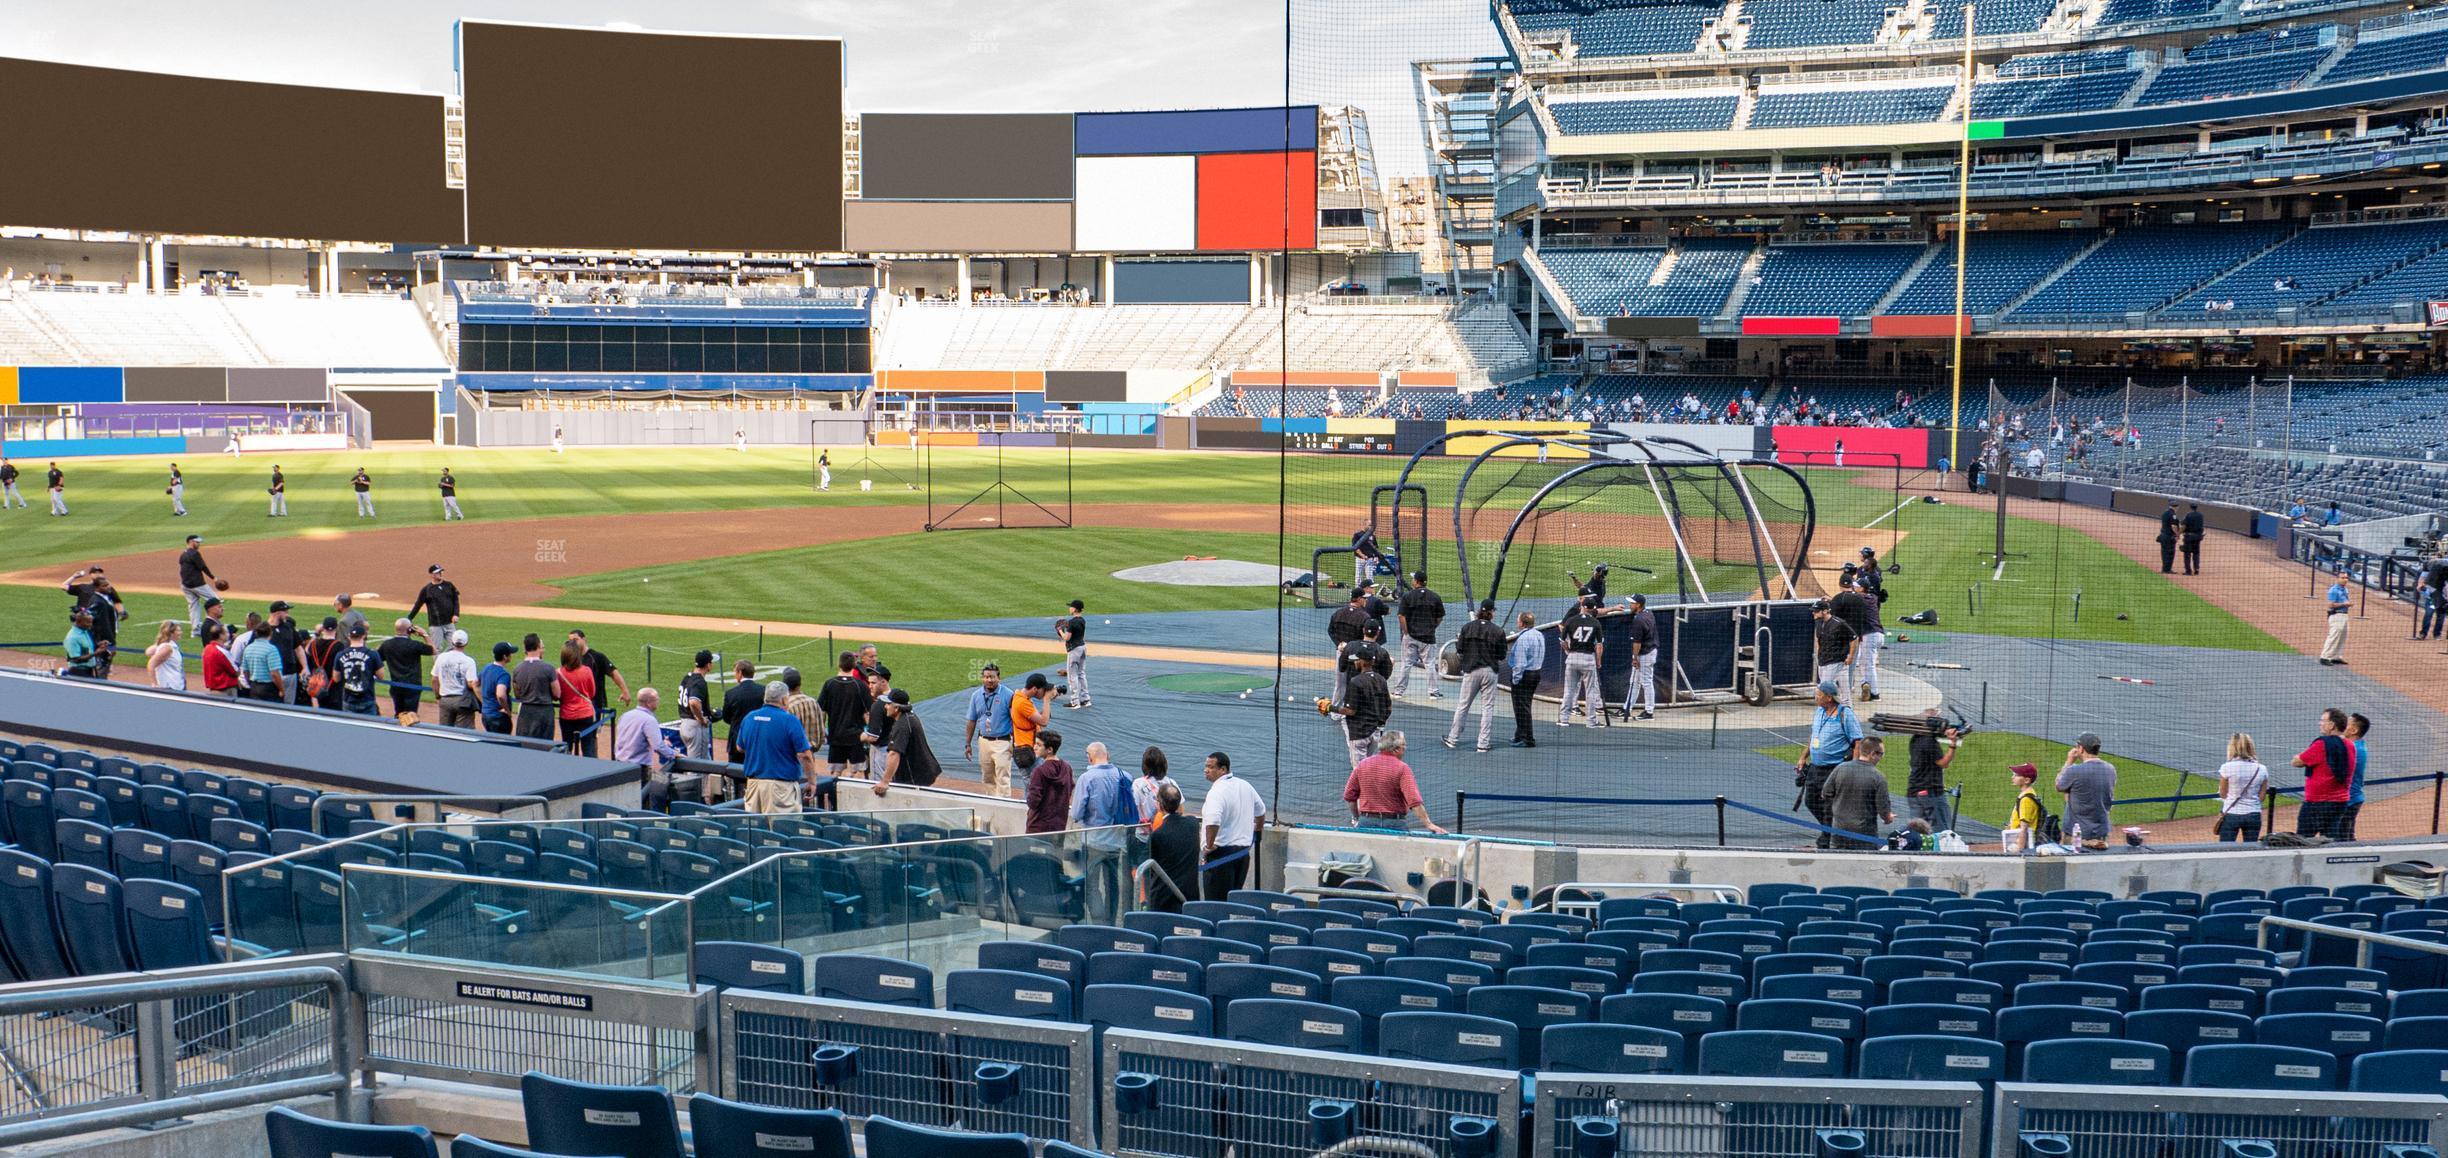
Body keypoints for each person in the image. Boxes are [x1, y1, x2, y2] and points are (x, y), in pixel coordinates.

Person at [1068, 741, 1140, 921]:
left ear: (1089, 756)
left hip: (1092, 840)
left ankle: (1098, 921)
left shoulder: (1087, 778)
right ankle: (1111, 921)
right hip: (1116, 841)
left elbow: (1076, 812)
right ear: (1107, 755)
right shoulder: (1125, 776)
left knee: (1091, 885)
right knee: (1112, 884)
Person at [1794, 680, 1863, 849]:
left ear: (1829, 697)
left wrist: (1853, 768)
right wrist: (1803, 757)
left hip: (1835, 769)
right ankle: (1831, 831)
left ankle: (1827, 838)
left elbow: (1858, 742)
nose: (1816, 697)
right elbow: (1814, 735)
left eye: (1819, 694)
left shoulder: (1845, 714)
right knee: (1810, 801)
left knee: (1828, 806)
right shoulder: (1819, 712)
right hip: (1816, 768)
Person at [735, 681, 820, 814]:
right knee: (783, 831)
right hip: (781, 789)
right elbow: (805, 755)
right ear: (784, 700)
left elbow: (740, 747)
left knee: (755, 831)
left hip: (753, 786)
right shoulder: (789, 720)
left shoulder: (749, 717)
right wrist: (812, 781)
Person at [1343, 731, 1446, 833]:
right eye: (1404, 745)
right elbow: (1414, 800)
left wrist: (1357, 818)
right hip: (1394, 823)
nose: (1405, 748)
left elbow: (1349, 795)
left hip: (1367, 820)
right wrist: (1428, 824)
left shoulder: (1363, 765)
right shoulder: (1402, 768)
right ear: (1396, 749)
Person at [1200, 751, 1265, 900]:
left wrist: (1209, 846)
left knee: (1216, 903)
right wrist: (1258, 828)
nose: (1206, 770)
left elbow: (1213, 821)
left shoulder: (1217, 791)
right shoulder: (1245, 785)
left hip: (1221, 855)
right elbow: (1261, 811)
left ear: (1223, 769)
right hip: (1242, 855)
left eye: (1210, 767)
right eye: (1205, 766)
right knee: (1232, 901)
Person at [1446, 600, 1506, 752]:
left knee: (1463, 705)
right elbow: (1501, 655)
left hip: (1471, 672)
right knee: (1487, 708)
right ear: (1491, 612)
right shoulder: (1498, 631)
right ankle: (1483, 744)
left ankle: (1452, 739)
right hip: (1490, 672)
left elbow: (1459, 649)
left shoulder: (1467, 627)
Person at [1820, 736, 1895, 849]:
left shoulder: (1841, 768)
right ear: (1873, 754)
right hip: (1864, 836)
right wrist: (1888, 818)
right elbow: (1883, 809)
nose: (1881, 758)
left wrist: (1839, 805)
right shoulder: (1878, 777)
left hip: (1839, 831)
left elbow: (1825, 793)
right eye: (1881, 754)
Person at [2293, 708, 2355, 839]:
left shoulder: (2322, 744)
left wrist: (2299, 755)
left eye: (2323, 720)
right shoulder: (2350, 744)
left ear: (2332, 725)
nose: (2320, 723)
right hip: (2340, 802)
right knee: (2330, 841)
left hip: (2317, 803)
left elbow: (2297, 762)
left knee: (2303, 840)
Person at [617, 687, 682, 811]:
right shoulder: (649, 720)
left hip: (620, 764)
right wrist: (674, 754)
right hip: (639, 767)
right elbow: (658, 746)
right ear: (648, 703)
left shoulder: (626, 715)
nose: (658, 701)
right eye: (656, 699)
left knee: (625, 800)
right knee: (643, 801)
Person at [874, 688, 941, 796]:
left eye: (888, 704)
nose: (885, 706)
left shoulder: (902, 725)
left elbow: (894, 753)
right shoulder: (910, 716)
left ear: (896, 708)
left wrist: (885, 781)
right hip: (922, 772)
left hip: (913, 776)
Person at [2055, 732, 2116, 850]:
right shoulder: (2110, 769)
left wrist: (2069, 762)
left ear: (2081, 748)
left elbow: (2058, 785)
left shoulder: (2074, 771)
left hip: (2076, 834)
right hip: (2101, 832)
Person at [1332, 651, 1391, 770]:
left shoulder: (1355, 681)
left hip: (1360, 734)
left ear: (1362, 662)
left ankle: (1366, 788)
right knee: (1369, 768)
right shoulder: (1381, 679)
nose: (1355, 662)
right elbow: (1388, 707)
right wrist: (1380, 724)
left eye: (1357, 660)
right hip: (1376, 732)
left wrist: (1330, 708)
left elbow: (1350, 711)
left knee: (1359, 772)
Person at [1389, 571, 1445, 699]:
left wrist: (1406, 631)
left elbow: (1401, 615)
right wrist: (1432, 627)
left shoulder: (1408, 596)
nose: (1412, 581)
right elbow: (1439, 617)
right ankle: (1434, 692)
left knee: (1406, 664)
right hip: (1428, 638)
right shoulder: (1435, 597)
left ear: (1416, 581)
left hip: (1411, 636)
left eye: (1413, 579)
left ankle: (1398, 691)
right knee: (1430, 664)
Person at [816, 652, 871, 780]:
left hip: (836, 736)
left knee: (835, 773)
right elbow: (868, 712)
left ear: (838, 664)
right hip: (856, 736)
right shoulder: (860, 685)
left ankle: (833, 798)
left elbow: (821, 711)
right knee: (858, 771)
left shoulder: (829, 684)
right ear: (854, 665)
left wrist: (822, 729)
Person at [1146, 782, 1200, 912]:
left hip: (1164, 897)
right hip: (1189, 893)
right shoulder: (1193, 824)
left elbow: (1153, 867)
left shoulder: (1158, 835)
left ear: (1159, 804)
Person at [964, 663, 1016, 796]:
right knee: (987, 777)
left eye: (992, 677)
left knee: (1003, 777)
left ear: (999, 678)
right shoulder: (976, 695)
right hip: (984, 741)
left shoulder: (1008, 695)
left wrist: (1015, 743)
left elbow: (1015, 720)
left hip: (1003, 742)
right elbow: (971, 720)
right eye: (986, 677)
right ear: (982, 678)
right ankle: (991, 805)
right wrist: (968, 744)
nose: (989, 680)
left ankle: (1005, 808)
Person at [1557, 597, 1605, 727]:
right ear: (1593, 609)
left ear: (1582, 607)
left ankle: (1564, 719)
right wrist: (1598, 661)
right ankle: (1591, 721)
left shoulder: (1571, 620)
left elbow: (1562, 641)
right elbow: (1599, 645)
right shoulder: (1595, 622)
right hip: (1588, 659)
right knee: (1590, 691)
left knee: (1569, 690)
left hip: (1572, 658)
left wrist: (1569, 650)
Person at [1904, 710, 1956, 828]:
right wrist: (1953, 743)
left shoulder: (1915, 738)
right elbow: (1944, 763)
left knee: (1917, 831)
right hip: (1931, 793)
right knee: (1941, 830)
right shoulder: (1930, 742)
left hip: (1913, 792)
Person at [377, 619, 435, 726]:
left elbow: (377, 658)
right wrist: (425, 635)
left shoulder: (387, 645)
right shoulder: (414, 645)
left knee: (399, 714)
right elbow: (433, 650)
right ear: (409, 630)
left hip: (396, 686)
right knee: (411, 717)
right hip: (412, 686)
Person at [2213, 732, 2268, 843]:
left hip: (2231, 814)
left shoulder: (2227, 767)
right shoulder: (2261, 768)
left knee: (2226, 849)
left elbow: (2223, 794)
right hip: (2253, 814)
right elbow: (2262, 797)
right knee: (2251, 850)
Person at [566, 629, 631, 715]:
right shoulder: (570, 658)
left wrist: (625, 691)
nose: (573, 643)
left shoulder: (597, 657)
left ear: (584, 639)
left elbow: (613, 673)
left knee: (592, 728)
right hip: (575, 703)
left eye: (575, 640)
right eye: (570, 641)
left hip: (593, 703)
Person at [509, 633, 560, 740]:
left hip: (526, 711)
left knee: (524, 744)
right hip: (545, 712)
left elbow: (517, 694)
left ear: (525, 648)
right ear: (538, 646)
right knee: (545, 745)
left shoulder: (517, 669)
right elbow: (557, 694)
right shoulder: (548, 668)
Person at [1024, 730, 1074, 835]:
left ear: (1049, 749)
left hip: (1037, 827)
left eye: (1038, 745)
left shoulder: (1039, 771)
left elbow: (1033, 801)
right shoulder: (1067, 768)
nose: (1034, 747)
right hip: (1059, 826)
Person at [554, 641, 600, 757]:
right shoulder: (587, 671)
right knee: (588, 747)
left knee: (567, 747)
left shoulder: (558, 673)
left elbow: (557, 695)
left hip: (566, 715)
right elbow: (592, 692)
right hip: (585, 714)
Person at [1507, 610, 1545, 748]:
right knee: (1524, 705)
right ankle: (1519, 735)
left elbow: (1520, 662)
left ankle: (1528, 739)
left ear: (1522, 623)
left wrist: (1516, 679)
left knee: (1521, 708)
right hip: (1536, 673)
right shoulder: (1539, 635)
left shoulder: (1523, 638)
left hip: (1524, 675)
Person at [1621, 592, 1659, 721]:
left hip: (1645, 654)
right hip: (1650, 651)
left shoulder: (1639, 620)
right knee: (1635, 682)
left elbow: (1637, 643)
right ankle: (1627, 707)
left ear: (1638, 605)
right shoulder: (1648, 613)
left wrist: (1634, 658)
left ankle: (1649, 712)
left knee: (1646, 682)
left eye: (1632, 603)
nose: (1630, 605)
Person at [1812, 599, 1858, 702]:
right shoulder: (1818, 622)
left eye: (1816, 611)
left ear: (1825, 611)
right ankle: (1846, 709)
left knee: (1823, 689)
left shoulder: (1839, 623)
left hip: (1836, 660)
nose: (1813, 613)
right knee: (1845, 689)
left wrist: (1850, 656)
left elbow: (1854, 638)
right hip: (1823, 660)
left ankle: (1825, 712)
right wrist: (1818, 653)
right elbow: (1818, 639)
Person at [410, 566, 462, 657]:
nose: (441, 573)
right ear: (431, 575)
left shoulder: (449, 585)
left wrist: (456, 614)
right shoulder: (426, 590)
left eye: (441, 571)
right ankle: (438, 670)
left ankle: (447, 663)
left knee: (455, 645)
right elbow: (417, 606)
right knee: (436, 648)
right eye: (438, 572)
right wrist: (408, 618)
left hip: (449, 623)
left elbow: (456, 600)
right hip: (435, 625)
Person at [263, 600, 307, 706]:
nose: (287, 614)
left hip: (290, 673)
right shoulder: (263, 629)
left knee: (289, 706)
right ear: (277, 613)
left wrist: (305, 667)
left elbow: (298, 648)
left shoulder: (288, 627)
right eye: (285, 611)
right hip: (271, 675)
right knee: (272, 705)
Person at [721, 658, 764, 764]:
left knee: (735, 773)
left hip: (737, 739)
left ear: (740, 672)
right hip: (758, 738)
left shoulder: (731, 693)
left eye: (735, 672)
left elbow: (726, 717)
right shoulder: (764, 690)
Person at [433, 632, 480, 729]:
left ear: (452, 642)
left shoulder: (441, 657)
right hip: (463, 701)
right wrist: (482, 700)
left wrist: (438, 697)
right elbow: (471, 684)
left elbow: (434, 679)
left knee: (445, 732)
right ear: (466, 643)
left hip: (445, 699)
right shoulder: (469, 661)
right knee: (464, 734)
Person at [676, 650, 716, 759]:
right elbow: (693, 702)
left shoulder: (687, 677)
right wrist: (701, 718)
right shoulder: (699, 681)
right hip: (695, 727)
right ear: (708, 665)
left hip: (685, 724)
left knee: (706, 761)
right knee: (697, 767)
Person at [177, 535, 219, 632]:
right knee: (215, 601)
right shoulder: (194, 554)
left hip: (185, 585)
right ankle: (212, 625)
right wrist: (214, 578)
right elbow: (203, 567)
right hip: (197, 584)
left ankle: (195, 630)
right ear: (191, 542)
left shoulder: (183, 554)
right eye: (197, 542)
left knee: (193, 605)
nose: (199, 544)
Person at [303, 618, 344, 711]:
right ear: (336, 628)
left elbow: (306, 651)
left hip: (318, 684)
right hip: (333, 685)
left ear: (323, 628)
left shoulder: (313, 644)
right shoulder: (339, 645)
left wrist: (317, 633)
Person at [1056, 599, 1091, 709]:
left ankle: (1075, 702)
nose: (1069, 608)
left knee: (1072, 676)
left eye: (1071, 606)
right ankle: (1086, 699)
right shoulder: (1082, 620)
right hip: (1083, 647)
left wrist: (1060, 630)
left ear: (1075, 609)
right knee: (1081, 674)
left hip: (1074, 650)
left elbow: (1067, 638)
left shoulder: (1072, 622)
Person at [239, 621, 285, 703]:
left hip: (254, 686)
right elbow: (274, 673)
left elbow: (245, 671)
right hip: (269, 688)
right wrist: (282, 689)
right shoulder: (271, 649)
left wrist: (250, 683)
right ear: (270, 633)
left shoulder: (248, 648)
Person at [2343, 712, 2371, 840]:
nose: (2342, 725)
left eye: (2346, 724)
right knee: (2347, 839)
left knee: (2341, 841)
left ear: (2354, 730)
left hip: (2349, 801)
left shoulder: (2354, 749)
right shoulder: (2358, 745)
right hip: (2353, 799)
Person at [1132, 746, 1179, 823]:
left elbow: (1133, 809)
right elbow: (1180, 809)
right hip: (1167, 829)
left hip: (1144, 830)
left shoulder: (1138, 784)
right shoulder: (1171, 783)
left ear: (1145, 765)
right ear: (1164, 765)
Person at [478, 642, 516, 735]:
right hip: (498, 717)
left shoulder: (487, 668)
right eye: (510, 653)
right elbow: (500, 694)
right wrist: (507, 710)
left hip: (486, 715)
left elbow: (475, 683)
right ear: (505, 657)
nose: (511, 655)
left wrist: (484, 702)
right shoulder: (503, 674)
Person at [201, 623, 241, 698]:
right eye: (226, 632)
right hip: (226, 690)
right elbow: (235, 671)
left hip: (213, 689)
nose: (228, 634)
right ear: (221, 636)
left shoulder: (207, 649)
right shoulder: (223, 652)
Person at [145, 621, 187, 692]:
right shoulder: (167, 648)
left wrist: (160, 642)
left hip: (176, 685)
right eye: (178, 631)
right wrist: (154, 684)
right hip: (171, 687)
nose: (181, 632)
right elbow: (151, 664)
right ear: (171, 633)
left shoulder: (168, 645)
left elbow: (148, 652)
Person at [2319, 578, 2351, 665]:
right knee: (2334, 636)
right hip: (2336, 615)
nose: (2345, 579)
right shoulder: (2333, 590)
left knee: (2342, 636)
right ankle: (2324, 657)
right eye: (2343, 578)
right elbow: (2330, 605)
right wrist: (2345, 604)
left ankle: (2336, 657)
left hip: (2344, 615)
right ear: (2337, 579)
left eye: (2346, 578)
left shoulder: (2345, 589)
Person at [1350, 525, 1385, 590]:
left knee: (1370, 577)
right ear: (1364, 525)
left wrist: (1376, 556)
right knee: (1358, 577)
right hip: (1360, 559)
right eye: (1369, 525)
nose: (1370, 527)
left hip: (1370, 560)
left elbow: (1375, 547)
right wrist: (1362, 555)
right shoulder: (1357, 535)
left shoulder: (1372, 536)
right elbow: (1355, 547)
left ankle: (1370, 592)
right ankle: (1358, 592)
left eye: (1371, 525)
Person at [2180, 503, 2205, 575]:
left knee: (2187, 554)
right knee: (2196, 553)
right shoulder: (2201, 515)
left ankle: (2188, 571)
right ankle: (2196, 569)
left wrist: (2178, 533)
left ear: (2190, 507)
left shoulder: (2188, 515)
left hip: (2189, 537)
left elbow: (2184, 525)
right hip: (2197, 537)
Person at [2156, 501, 2178, 574]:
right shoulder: (2173, 515)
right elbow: (2173, 526)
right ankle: (2167, 569)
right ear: (2176, 507)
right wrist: (2177, 534)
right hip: (2169, 537)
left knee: (2164, 552)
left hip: (2162, 535)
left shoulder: (2165, 513)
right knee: (2170, 553)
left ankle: (2164, 568)